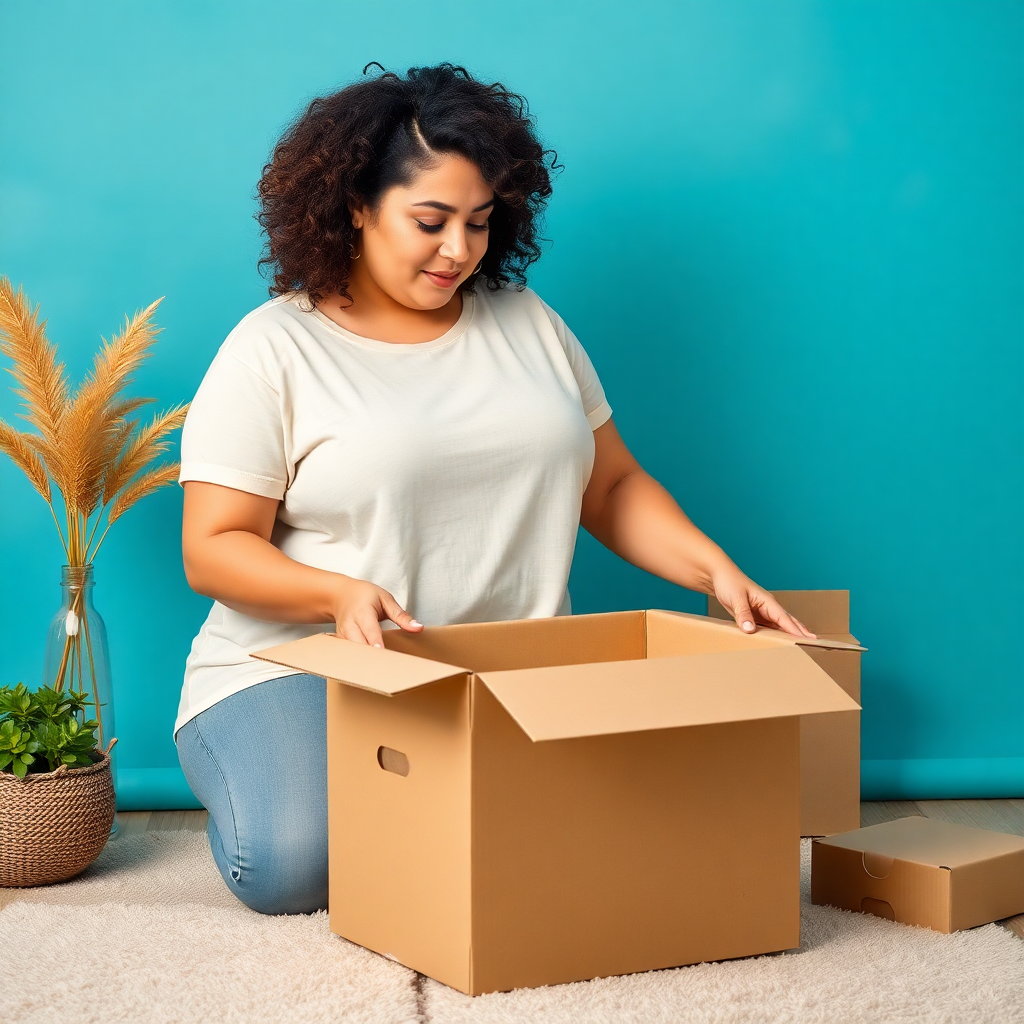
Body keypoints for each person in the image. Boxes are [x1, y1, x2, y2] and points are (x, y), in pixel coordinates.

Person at [173, 61, 817, 917]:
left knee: (628, 836)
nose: (460, 251)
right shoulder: (272, 349)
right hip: (305, 668)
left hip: (496, 673)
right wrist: (336, 594)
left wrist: (714, 573)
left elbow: (612, 485)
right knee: (297, 864)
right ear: (356, 206)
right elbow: (212, 546)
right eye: (431, 221)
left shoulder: (529, 322)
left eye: (480, 223)